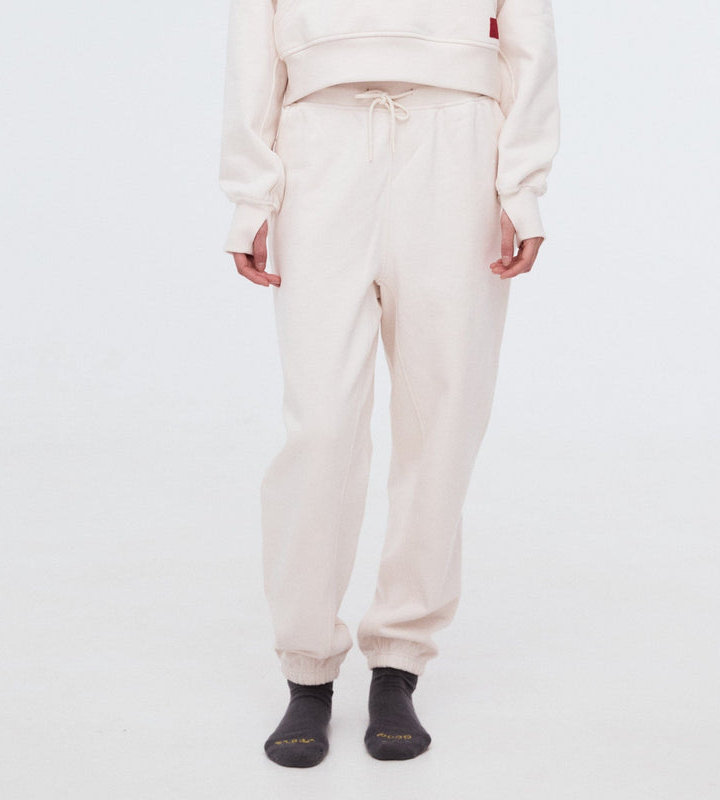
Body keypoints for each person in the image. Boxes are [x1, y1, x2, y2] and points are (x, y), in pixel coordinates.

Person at [218, 0, 560, 768]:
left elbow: (529, 37)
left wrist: (520, 184)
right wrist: (251, 191)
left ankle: (400, 659)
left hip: (459, 142)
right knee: (321, 426)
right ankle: (307, 667)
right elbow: (251, 37)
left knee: (444, 415)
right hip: (320, 141)